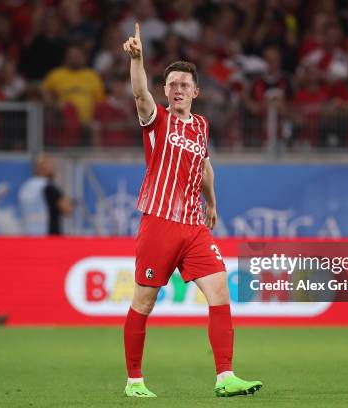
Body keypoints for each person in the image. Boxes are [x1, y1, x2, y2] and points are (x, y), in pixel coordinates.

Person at [121, 23, 262, 398]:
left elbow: (204, 165)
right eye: (172, 85)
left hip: (194, 227)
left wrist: (212, 202)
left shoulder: (201, 126)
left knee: (219, 291)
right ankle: (134, 381)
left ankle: (225, 377)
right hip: (159, 223)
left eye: (185, 84)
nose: (178, 89)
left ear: (196, 91)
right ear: (165, 91)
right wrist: (137, 61)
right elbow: (139, 94)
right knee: (144, 302)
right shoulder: (157, 121)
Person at [18, 155, 73, 235]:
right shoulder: (48, 187)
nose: (54, 168)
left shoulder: (25, 187)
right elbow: (67, 209)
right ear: (45, 168)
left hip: (28, 234)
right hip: (48, 235)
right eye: (52, 165)